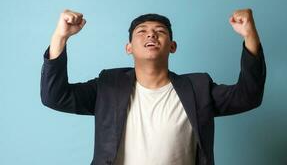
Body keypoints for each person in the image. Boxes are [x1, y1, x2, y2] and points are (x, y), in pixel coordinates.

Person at [40, 9, 266, 165]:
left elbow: (248, 96)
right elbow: (55, 97)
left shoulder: (197, 88)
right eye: (142, 31)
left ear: (173, 46)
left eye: (160, 31)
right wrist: (60, 37)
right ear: (129, 47)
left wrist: (250, 35)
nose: (151, 34)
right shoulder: (109, 86)